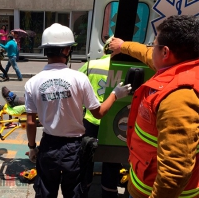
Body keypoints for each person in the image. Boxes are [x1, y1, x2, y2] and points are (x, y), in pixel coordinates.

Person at [24, 23, 132, 198]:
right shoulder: (79, 79)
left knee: (45, 191)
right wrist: (114, 94)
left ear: (46, 50)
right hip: (73, 148)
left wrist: (32, 147)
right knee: (74, 191)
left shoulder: (33, 82)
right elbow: (98, 113)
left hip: (48, 145)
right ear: (67, 50)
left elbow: (30, 122)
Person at [112, 15, 199, 198]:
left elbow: (175, 170)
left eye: (154, 44)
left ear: (165, 52)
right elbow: (144, 52)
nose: (150, 49)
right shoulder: (181, 67)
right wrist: (122, 46)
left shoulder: (179, 96)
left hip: (150, 191)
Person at [78, 49, 124, 198]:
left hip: (91, 119)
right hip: (114, 122)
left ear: (104, 49)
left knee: (86, 158)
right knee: (112, 159)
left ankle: (84, 189)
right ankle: (109, 192)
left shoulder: (91, 64)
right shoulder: (124, 66)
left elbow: (76, 84)